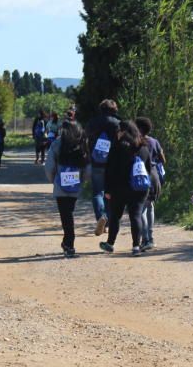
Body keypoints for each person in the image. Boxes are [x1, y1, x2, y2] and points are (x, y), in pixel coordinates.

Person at [99, 119, 151, 256]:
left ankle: (110, 243)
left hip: (119, 188)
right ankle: (136, 247)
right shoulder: (144, 147)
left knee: (115, 216)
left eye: (118, 131)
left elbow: (110, 170)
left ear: (122, 132)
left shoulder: (118, 146)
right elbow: (148, 169)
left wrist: (108, 190)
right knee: (136, 216)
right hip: (140, 188)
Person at [45, 120, 89, 257]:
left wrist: (53, 181)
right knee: (68, 213)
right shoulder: (82, 144)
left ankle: (69, 244)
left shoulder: (57, 144)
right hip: (75, 186)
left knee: (66, 215)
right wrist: (82, 181)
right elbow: (88, 169)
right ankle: (67, 242)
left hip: (60, 185)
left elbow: (49, 167)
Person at [86, 99, 121, 237]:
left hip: (97, 162)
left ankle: (101, 218)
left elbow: (85, 139)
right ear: (114, 109)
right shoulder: (118, 124)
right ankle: (107, 220)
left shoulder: (93, 122)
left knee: (97, 192)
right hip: (113, 164)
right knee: (110, 193)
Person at [135, 116, 166, 251]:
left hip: (141, 176)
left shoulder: (136, 142)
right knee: (150, 206)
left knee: (140, 209)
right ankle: (150, 238)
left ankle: (146, 239)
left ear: (139, 128)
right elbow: (163, 159)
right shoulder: (154, 141)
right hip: (154, 176)